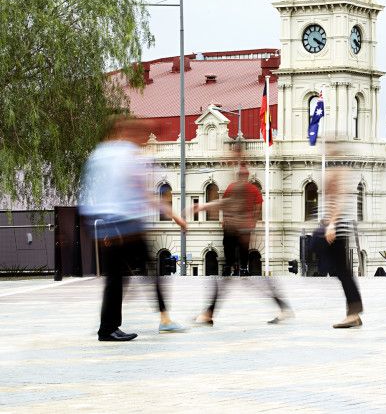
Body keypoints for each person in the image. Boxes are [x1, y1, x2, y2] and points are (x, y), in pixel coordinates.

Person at [80, 116, 187, 342]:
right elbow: (144, 193)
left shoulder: (98, 154)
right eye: (141, 136)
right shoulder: (128, 155)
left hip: (102, 224)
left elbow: (89, 189)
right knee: (148, 271)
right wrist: (174, 214)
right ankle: (164, 320)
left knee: (116, 277)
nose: (143, 140)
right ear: (127, 133)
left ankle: (108, 327)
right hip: (126, 225)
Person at [193, 163, 292, 325]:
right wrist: (251, 222)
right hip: (239, 233)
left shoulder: (238, 188)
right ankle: (209, 312)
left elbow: (227, 204)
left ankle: (209, 312)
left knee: (230, 275)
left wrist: (207, 208)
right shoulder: (249, 189)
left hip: (236, 234)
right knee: (234, 276)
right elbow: (255, 207)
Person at [317, 149, 363, 328]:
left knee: (343, 272)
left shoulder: (338, 172)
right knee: (342, 271)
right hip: (334, 226)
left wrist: (332, 224)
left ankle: (353, 313)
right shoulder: (334, 171)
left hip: (336, 228)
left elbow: (340, 200)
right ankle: (354, 313)